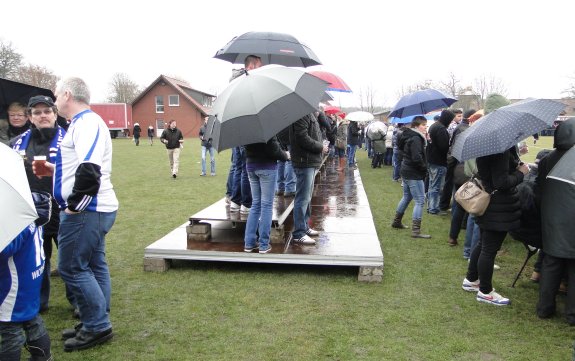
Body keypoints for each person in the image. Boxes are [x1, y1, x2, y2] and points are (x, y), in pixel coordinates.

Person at [52, 76, 118, 351]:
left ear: (67, 94)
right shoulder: (81, 124)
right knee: (94, 264)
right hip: (94, 208)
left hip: (88, 210)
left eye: (55, 95)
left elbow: (90, 171)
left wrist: (73, 206)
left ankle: (97, 326)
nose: (55, 100)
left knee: (71, 266)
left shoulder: (87, 123)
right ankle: (95, 318)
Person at [11, 95, 66, 313]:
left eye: (47, 111)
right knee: (38, 259)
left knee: (70, 260)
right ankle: (40, 301)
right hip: (32, 211)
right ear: (30, 117)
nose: (42, 116)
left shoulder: (69, 139)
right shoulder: (17, 143)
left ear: (55, 114)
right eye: (37, 113)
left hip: (62, 208)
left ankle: (79, 301)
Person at [462, 145, 528, 306]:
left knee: (484, 243)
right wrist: (521, 173)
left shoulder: (489, 148)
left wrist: (515, 166)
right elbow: (501, 182)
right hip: (497, 206)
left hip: (490, 203)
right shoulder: (500, 150)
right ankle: (485, 291)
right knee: (489, 248)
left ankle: (471, 279)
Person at [0, 191, 53, 361]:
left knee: (10, 329)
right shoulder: (31, 210)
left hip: (14, 283)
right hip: (30, 277)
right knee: (31, 318)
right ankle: (43, 355)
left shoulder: (17, 220)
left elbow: (5, 249)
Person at [536, 118, 575, 325]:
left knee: (551, 263)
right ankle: (572, 315)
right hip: (570, 220)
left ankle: (544, 308)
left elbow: (538, 189)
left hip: (550, 217)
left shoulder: (546, 159)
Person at [243, 136, 290, 253]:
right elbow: (273, 150)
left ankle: (249, 243)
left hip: (251, 166)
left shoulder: (245, 128)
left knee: (256, 205)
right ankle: (264, 244)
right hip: (267, 167)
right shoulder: (267, 128)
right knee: (266, 205)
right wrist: (286, 155)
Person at [228, 55, 261, 214]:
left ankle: (235, 200)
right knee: (246, 168)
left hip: (235, 129)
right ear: (252, 66)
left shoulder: (234, 80)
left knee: (238, 167)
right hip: (244, 128)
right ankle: (246, 203)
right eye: (259, 66)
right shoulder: (246, 81)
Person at [289, 113, 328, 245]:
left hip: (309, 161)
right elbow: (302, 137)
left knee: (307, 197)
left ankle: (304, 227)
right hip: (304, 161)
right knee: (302, 198)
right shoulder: (301, 114)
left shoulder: (309, 113)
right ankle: (299, 233)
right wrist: (320, 147)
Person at [391, 116, 432, 238]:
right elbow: (416, 157)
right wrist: (424, 168)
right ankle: (415, 231)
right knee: (420, 200)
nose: (425, 127)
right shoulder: (415, 138)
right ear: (416, 126)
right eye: (423, 125)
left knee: (407, 196)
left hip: (407, 169)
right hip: (413, 172)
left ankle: (396, 222)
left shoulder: (411, 136)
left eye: (426, 125)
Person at [441, 109, 475, 212]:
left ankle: (447, 205)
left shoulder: (461, 127)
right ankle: (445, 205)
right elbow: (457, 147)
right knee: (454, 185)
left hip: (455, 160)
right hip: (457, 161)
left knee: (452, 185)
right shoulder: (463, 128)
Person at [426, 109, 455, 215]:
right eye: (451, 119)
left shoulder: (434, 126)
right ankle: (434, 208)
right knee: (437, 187)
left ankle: (431, 207)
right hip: (438, 161)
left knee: (432, 185)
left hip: (431, 159)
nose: (451, 121)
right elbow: (443, 147)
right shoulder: (441, 129)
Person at [275, 125, 296, 197]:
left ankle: (280, 188)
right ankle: (289, 189)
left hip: (279, 134)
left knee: (281, 160)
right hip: (289, 134)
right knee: (290, 160)